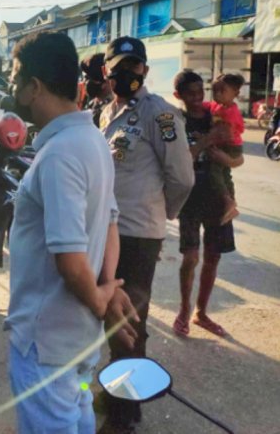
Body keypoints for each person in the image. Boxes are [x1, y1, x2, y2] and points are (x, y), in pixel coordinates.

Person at [5, 32, 123, 434]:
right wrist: (107, 285)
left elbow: (71, 263)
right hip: (77, 344)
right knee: (79, 415)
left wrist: (101, 299)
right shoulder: (92, 139)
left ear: (33, 87)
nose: (11, 85)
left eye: (15, 76)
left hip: (47, 345)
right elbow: (109, 223)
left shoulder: (59, 155)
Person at [98, 36, 194, 433]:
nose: (128, 74)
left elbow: (183, 178)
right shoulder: (106, 113)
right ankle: (123, 394)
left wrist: (161, 215)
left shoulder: (161, 115)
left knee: (126, 321)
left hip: (138, 233)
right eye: (120, 66)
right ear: (107, 72)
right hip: (110, 232)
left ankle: (122, 418)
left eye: (134, 67)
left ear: (145, 71)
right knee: (116, 317)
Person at [172, 70, 242, 339]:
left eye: (201, 91)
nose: (198, 97)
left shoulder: (218, 116)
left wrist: (226, 157)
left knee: (213, 257)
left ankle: (201, 313)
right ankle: (183, 309)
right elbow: (175, 161)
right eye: (191, 93)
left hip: (218, 196)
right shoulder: (176, 122)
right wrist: (206, 140)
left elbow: (237, 158)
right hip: (190, 199)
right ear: (179, 95)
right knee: (190, 258)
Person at [207, 73, 246, 225]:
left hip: (230, 147)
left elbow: (226, 134)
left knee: (215, 172)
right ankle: (231, 202)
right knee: (224, 174)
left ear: (235, 94)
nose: (217, 94)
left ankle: (228, 201)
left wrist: (209, 139)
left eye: (222, 91)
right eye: (214, 90)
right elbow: (208, 106)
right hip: (228, 146)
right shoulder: (219, 106)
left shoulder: (230, 113)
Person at [80, 52, 113, 128]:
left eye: (89, 77)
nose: (85, 82)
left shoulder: (111, 110)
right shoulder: (91, 103)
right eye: (85, 77)